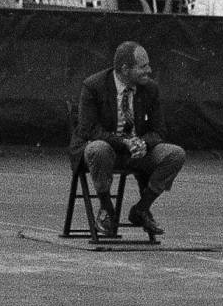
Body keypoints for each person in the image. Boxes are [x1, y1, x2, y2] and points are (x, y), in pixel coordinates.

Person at [70, 40, 188, 238]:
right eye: (143, 67)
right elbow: (89, 130)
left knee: (175, 154)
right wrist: (123, 142)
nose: (149, 70)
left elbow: (159, 130)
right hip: (103, 149)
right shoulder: (93, 86)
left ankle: (142, 209)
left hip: (136, 151)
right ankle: (106, 208)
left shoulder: (150, 89)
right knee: (98, 148)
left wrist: (144, 143)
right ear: (125, 69)